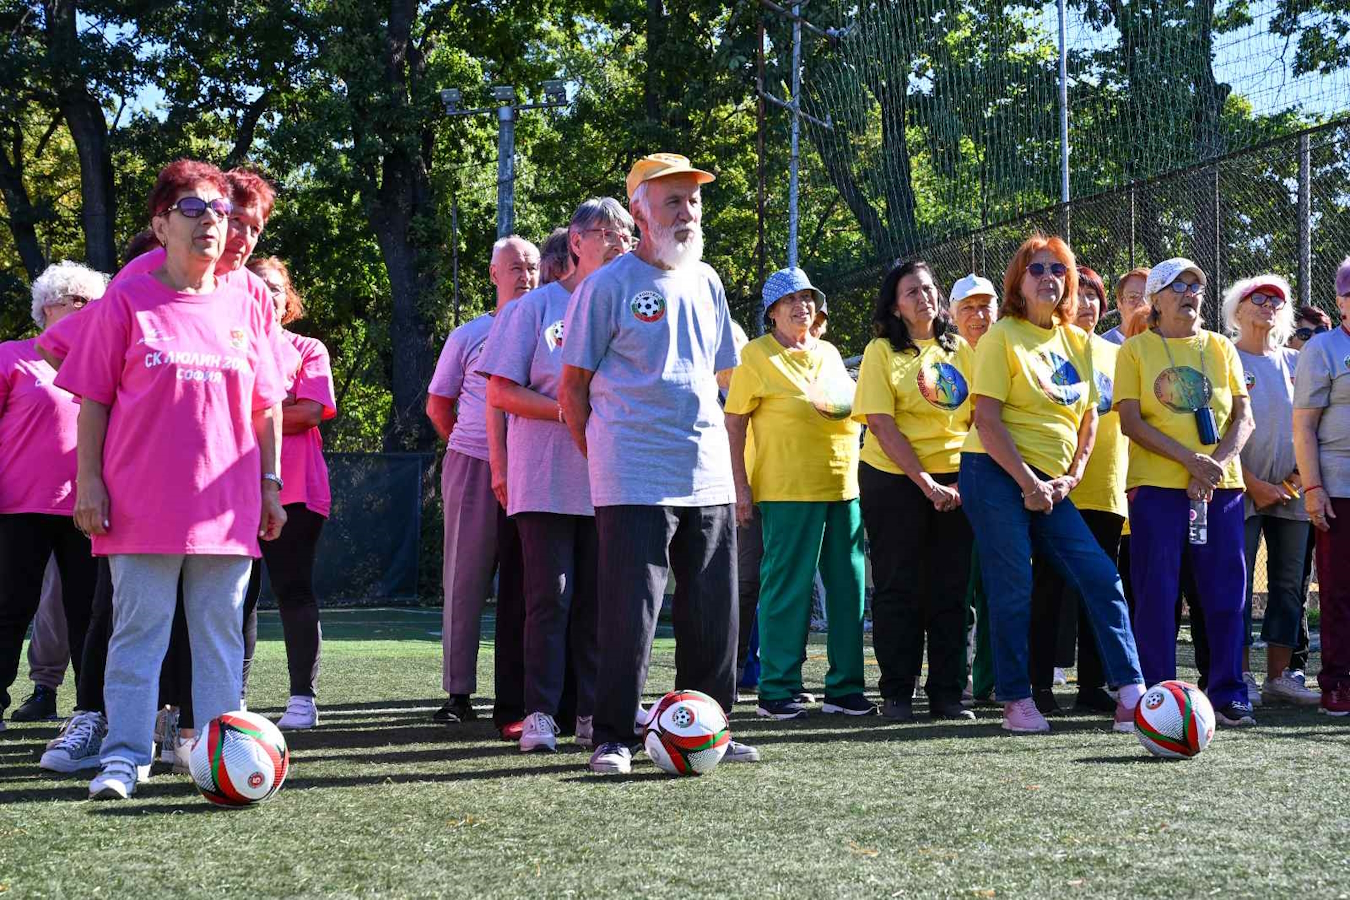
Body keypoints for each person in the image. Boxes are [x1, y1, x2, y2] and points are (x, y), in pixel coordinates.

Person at [56, 159, 286, 799]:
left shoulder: (250, 300)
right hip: (139, 504)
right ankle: (124, 759)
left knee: (219, 642)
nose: (210, 220)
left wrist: (270, 485)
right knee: (138, 636)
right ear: (161, 225)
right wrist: (89, 483)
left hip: (227, 508)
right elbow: (94, 400)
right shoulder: (128, 296)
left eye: (219, 209)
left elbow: (266, 406)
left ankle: (218, 764)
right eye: (192, 208)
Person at [559, 152, 757, 774]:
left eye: (693, 201)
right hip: (632, 476)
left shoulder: (708, 281)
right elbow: (572, 389)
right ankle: (613, 737)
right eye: (674, 201)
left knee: (714, 614)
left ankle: (711, 728)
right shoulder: (606, 286)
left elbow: (725, 376)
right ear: (640, 212)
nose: (688, 212)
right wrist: (604, 458)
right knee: (630, 613)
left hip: (706, 471)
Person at [958, 234, 1145, 735]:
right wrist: (1028, 483)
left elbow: (1089, 416)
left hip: (1052, 483)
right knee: (1013, 585)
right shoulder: (1001, 336)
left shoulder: (1079, 342)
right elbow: (987, 420)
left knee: (1101, 576)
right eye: (1037, 269)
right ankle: (1016, 700)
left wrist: (1073, 475)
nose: (1049, 277)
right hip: (994, 472)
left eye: (1059, 269)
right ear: (1018, 282)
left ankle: (1131, 694)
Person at [483, 198, 632, 753]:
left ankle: (592, 712)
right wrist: (567, 411)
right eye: (605, 232)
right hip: (545, 478)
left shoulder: (628, 306)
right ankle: (540, 713)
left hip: (612, 478)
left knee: (599, 601)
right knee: (551, 597)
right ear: (576, 241)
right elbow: (500, 391)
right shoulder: (534, 307)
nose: (618, 242)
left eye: (626, 233)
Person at [725, 267, 870, 720]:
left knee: (849, 589)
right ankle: (777, 688)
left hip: (843, 485)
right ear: (771, 311)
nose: (801, 305)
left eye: (807, 298)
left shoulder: (829, 352)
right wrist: (740, 488)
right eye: (790, 299)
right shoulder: (754, 355)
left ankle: (845, 688)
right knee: (787, 588)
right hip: (786, 489)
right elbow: (734, 424)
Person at [1116, 257, 1256, 726]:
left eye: (1196, 285)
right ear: (1155, 299)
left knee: (1225, 594)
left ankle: (1228, 691)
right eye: (1177, 286)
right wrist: (1188, 461)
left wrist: (1213, 467)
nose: (1189, 293)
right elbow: (1131, 421)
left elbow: (1244, 418)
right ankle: (1158, 695)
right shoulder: (1135, 351)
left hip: (1220, 490)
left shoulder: (1221, 347)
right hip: (1157, 489)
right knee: (1157, 594)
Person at [854, 259, 978, 721]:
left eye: (928, 289)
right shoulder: (881, 351)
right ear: (895, 306)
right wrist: (925, 483)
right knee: (898, 587)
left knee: (952, 590)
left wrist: (962, 481)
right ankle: (897, 693)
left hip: (958, 483)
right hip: (894, 480)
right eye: (911, 292)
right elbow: (881, 424)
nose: (923, 297)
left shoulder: (961, 349)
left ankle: (947, 693)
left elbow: (981, 417)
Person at [427, 235, 539, 726]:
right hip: (472, 463)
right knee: (465, 577)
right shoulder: (469, 334)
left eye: (532, 265)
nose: (525, 275)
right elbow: (438, 404)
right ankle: (458, 694)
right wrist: (474, 445)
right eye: (515, 266)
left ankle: (529, 694)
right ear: (494, 274)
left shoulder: (553, 329)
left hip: (537, 466)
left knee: (534, 582)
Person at [0, 261, 107, 732]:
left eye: (92, 303)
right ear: (47, 306)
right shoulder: (11, 356)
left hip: (87, 506)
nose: (86, 310)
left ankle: (92, 712)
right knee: (10, 607)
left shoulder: (103, 365)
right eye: (77, 301)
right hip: (19, 506)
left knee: (89, 613)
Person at [1026, 266, 1126, 715]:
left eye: (1094, 296)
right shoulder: (1047, 346)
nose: (1086, 304)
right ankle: (1039, 685)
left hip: (1105, 487)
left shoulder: (1116, 354)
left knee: (1098, 590)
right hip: (1055, 487)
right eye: (1078, 295)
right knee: (1048, 589)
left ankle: (1092, 685)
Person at [248, 256, 338, 729]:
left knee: (293, 588)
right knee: (233, 597)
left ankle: (302, 700)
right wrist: (276, 408)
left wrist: (252, 412)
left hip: (296, 489)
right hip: (229, 487)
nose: (267, 293)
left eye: (277, 287)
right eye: (258, 284)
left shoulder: (306, 348)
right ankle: (230, 697)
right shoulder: (227, 345)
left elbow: (311, 412)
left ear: (289, 301)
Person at [1224, 274, 1320, 707]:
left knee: (1288, 585)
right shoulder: (1224, 355)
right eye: (1258, 298)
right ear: (1237, 308)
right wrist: (1253, 484)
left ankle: (1279, 678)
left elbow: (1315, 424)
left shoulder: (1297, 362)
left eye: (1277, 300)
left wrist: (1293, 481)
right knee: (1237, 582)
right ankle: (1240, 674)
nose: (1268, 305)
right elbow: (1217, 428)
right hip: (1238, 490)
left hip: (1292, 493)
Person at [1292, 255, 1350, 717]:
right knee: (1339, 589)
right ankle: (1338, 682)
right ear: (1340, 300)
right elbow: (1304, 426)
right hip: (1338, 485)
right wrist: (1313, 487)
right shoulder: (1323, 349)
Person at [948, 274, 999, 703]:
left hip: (1004, 480)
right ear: (952, 315)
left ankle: (990, 681)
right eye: (967, 308)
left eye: (985, 306)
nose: (978, 315)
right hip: (957, 480)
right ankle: (956, 677)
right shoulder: (946, 357)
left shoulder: (1009, 348)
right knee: (958, 585)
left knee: (997, 584)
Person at [1101, 267, 1151, 345]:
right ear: (1119, 303)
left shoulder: (1167, 342)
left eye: (1149, 296)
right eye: (1133, 297)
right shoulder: (1103, 345)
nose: (1143, 303)